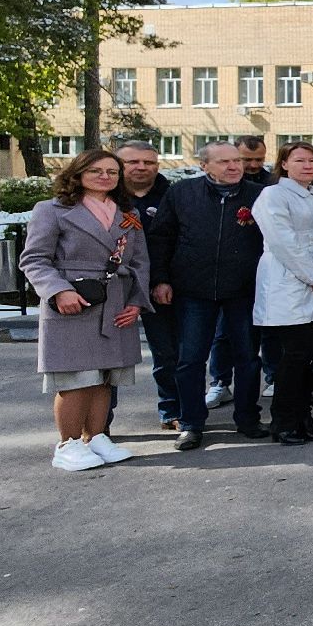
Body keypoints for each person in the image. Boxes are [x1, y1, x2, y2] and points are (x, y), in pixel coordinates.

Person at [20, 150, 149, 470]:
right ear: (77, 174)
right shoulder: (51, 210)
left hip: (116, 302)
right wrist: (58, 291)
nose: (105, 177)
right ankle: (68, 444)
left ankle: (96, 437)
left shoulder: (126, 213)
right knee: (76, 377)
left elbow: (140, 263)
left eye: (112, 171)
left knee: (105, 376)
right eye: (96, 171)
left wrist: (136, 302)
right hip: (72, 302)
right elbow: (34, 259)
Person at [147, 142, 266, 451]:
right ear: (205, 166)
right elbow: (162, 238)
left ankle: (248, 419)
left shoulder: (259, 195)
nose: (233, 166)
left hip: (244, 289)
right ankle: (191, 424)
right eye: (224, 161)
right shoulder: (182, 194)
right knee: (189, 359)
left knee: (248, 358)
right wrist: (160, 279)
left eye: (236, 160)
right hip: (193, 290)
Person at [250, 142, 313, 446]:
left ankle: (303, 415)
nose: (307, 165)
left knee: (309, 356)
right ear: (284, 164)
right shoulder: (273, 195)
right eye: (299, 160)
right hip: (286, 279)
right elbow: (282, 241)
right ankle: (284, 420)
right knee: (294, 356)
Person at [115, 140, 179, 430]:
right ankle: (99, 421)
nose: (142, 167)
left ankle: (172, 410)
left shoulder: (174, 196)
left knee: (167, 354)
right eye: (133, 162)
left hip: (160, 287)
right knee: (109, 357)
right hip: (113, 288)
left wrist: (162, 280)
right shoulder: (104, 197)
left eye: (149, 162)